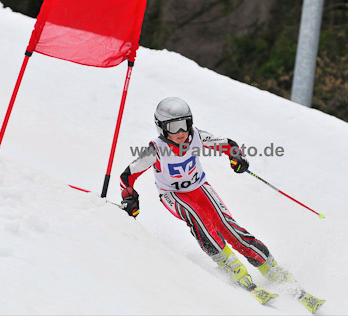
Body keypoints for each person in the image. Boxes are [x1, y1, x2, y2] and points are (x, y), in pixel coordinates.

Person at [119, 97, 323, 310]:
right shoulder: (157, 149)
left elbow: (228, 145)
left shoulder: (195, 137)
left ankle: (269, 266)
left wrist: (237, 158)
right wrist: (129, 197)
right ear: (161, 128)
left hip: (199, 188)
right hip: (173, 195)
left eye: (185, 124)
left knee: (228, 226)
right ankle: (229, 265)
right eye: (174, 126)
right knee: (198, 219)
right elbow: (128, 175)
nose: (181, 131)